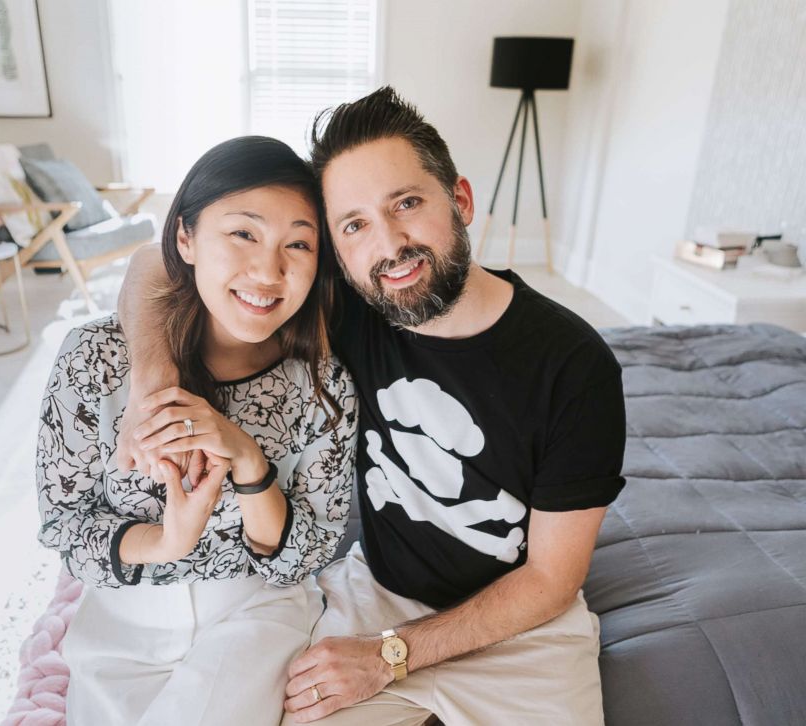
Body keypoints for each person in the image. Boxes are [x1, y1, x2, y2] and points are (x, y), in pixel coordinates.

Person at [115, 87, 626, 725]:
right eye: (354, 224)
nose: (389, 245)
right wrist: (152, 387)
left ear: (460, 201)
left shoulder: (575, 365)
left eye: (407, 204)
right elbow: (154, 264)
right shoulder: (350, 309)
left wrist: (390, 657)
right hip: (378, 596)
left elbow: (552, 580)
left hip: (523, 628)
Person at [36, 136, 358, 726]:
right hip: (121, 626)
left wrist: (250, 463)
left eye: (299, 244)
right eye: (243, 233)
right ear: (185, 237)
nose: (269, 270)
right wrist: (165, 543)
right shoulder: (96, 358)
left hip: (256, 618)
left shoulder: (323, 385)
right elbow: (66, 523)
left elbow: (309, 551)